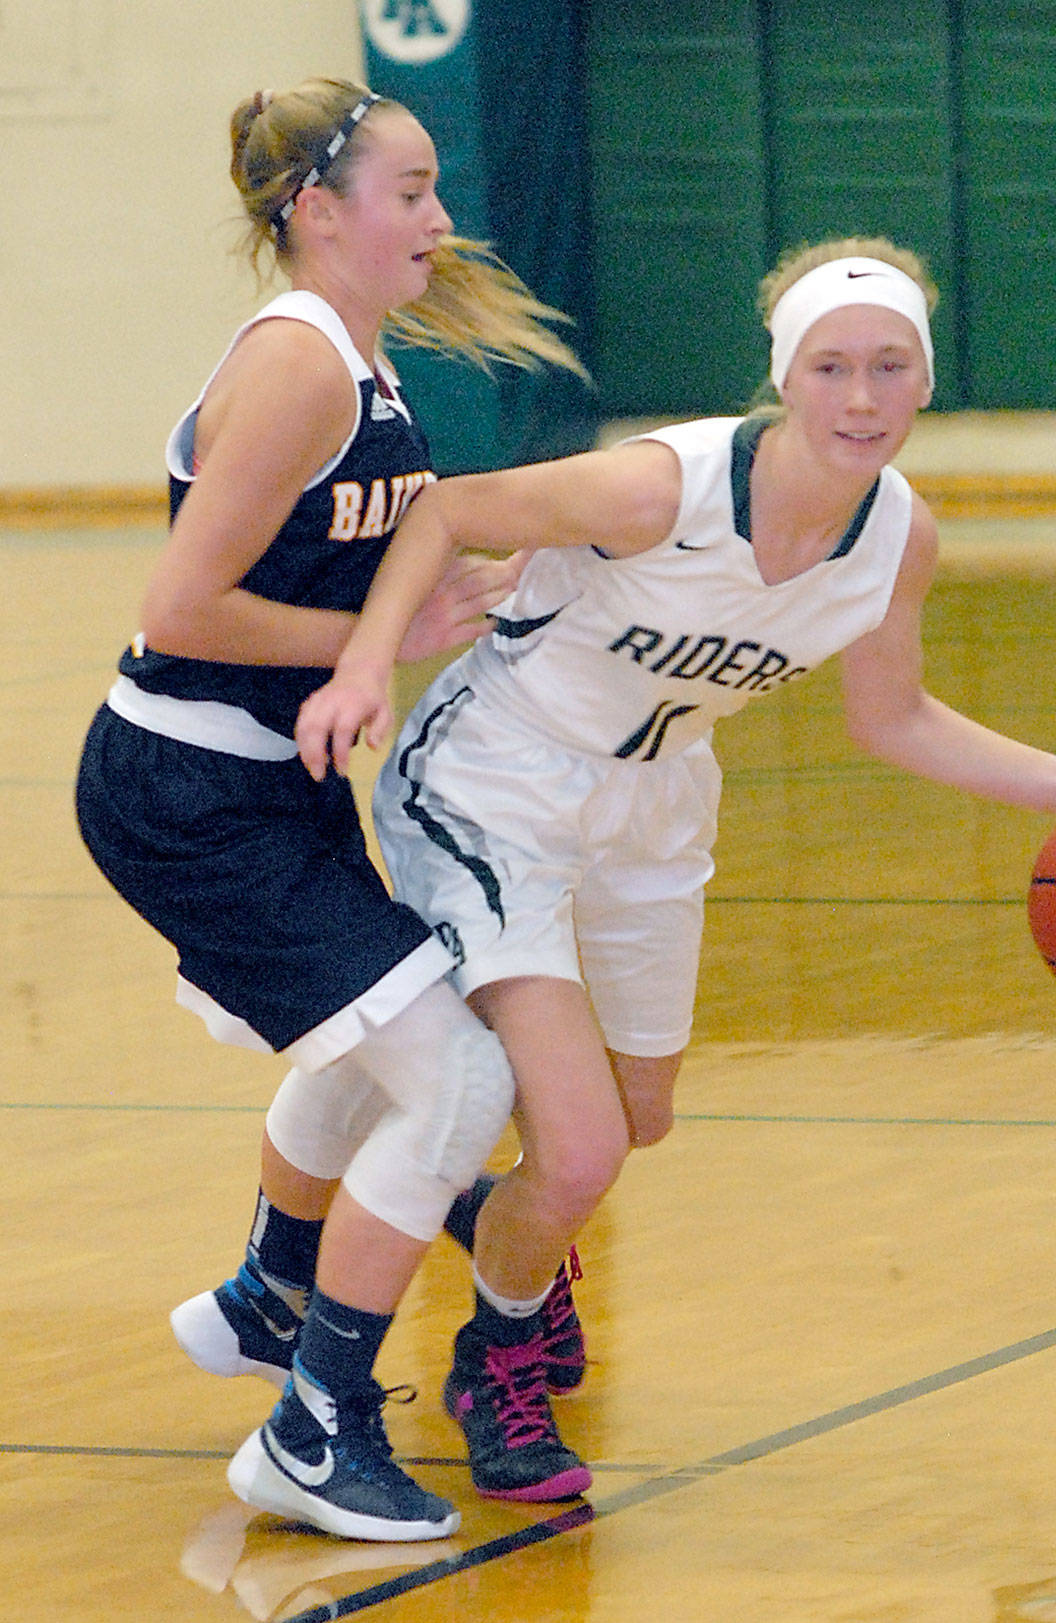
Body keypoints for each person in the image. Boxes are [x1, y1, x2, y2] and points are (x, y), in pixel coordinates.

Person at [291, 232, 1056, 1504]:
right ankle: (496, 1352)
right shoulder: (664, 487)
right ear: (784, 377)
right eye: (830, 368)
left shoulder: (896, 539)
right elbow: (450, 508)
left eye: (888, 367)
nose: (859, 398)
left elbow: (894, 719)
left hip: (654, 808)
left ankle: (507, 1230)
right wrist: (370, 662)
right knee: (582, 1149)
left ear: (924, 382)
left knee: (633, 1123)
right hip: (501, 786)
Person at [74, 76, 586, 1541]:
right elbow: (180, 608)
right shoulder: (300, 364)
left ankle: (266, 1293)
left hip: (265, 786)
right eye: (411, 190)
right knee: (463, 1082)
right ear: (319, 208)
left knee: (382, 1049)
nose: (437, 215)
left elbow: (327, 568)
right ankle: (316, 1424)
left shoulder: (360, 356)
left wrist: (435, 592)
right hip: (185, 788)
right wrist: (389, 639)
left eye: (434, 188)